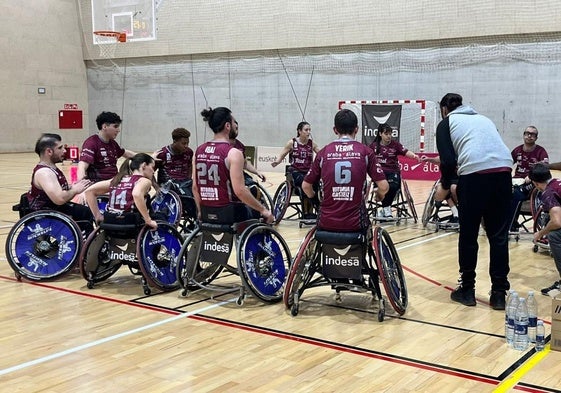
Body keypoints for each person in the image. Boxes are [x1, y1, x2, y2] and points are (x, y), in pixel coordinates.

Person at [436, 93, 513, 310]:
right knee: (498, 236)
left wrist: (446, 184)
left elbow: (448, 160)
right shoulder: (484, 119)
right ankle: (499, 294)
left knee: (469, 234)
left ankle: (467, 290)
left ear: (444, 109)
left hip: (475, 176)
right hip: (504, 172)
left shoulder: (446, 123)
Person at [302, 109, 389, 232]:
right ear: (356, 129)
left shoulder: (324, 152)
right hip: (356, 223)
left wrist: (315, 201)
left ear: (335, 130)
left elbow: (306, 186)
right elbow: (384, 186)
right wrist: (379, 195)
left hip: (326, 221)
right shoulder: (365, 152)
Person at [193, 107, 274, 224]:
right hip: (229, 212)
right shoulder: (233, 153)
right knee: (260, 215)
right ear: (227, 126)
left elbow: (195, 187)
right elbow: (240, 191)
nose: (236, 125)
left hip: (207, 211)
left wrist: (201, 211)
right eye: (233, 122)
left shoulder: (198, 151)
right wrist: (264, 210)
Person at [27, 133, 94, 233]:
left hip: (54, 209)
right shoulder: (44, 172)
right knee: (84, 212)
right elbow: (59, 199)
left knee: (85, 209)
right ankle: (87, 244)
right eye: (60, 148)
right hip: (45, 214)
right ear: (49, 151)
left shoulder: (52, 168)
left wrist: (75, 187)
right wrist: (75, 190)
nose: (65, 151)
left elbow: (60, 192)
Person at [84, 153, 158, 231]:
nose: (153, 171)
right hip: (129, 222)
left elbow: (89, 191)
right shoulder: (143, 181)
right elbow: (136, 194)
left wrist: (97, 216)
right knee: (160, 217)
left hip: (109, 221)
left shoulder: (117, 179)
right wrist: (148, 220)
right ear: (144, 166)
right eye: (152, 167)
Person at [369, 123, 420, 218]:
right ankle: (386, 210)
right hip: (379, 173)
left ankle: (383, 205)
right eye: (386, 134)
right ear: (380, 134)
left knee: (392, 187)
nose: (389, 136)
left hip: (393, 172)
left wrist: (414, 156)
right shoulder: (373, 146)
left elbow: (406, 152)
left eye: (390, 134)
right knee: (383, 186)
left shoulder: (395, 145)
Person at [271, 121, 319, 218]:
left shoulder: (312, 144)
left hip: (308, 171)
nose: (308, 132)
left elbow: (321, 154)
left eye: (309, 130)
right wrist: (277, 162)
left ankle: (317, 208)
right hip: (296, 171)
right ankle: (307, 212)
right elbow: (282, 154)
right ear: (299, 131)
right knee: (305, 182)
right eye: (306, 130)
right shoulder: (292, 143)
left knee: (318, 183)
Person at [529, 163, 561, 296]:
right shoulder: (558, 182)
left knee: (554, 236)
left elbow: (557, 222)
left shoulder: (548, 193)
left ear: (535, 183)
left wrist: (540, 233)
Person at [509, 126, 548, 231]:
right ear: (524, 135)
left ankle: (510, 225)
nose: (529, 136)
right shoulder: (517, 150)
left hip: (532, 183)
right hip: (517, 181)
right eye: (527, 133)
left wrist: (531, 175)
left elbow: (544, 169)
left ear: (536, 138)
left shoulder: (541, 151)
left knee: (515, 193)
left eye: (532, 134)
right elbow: (507, 164)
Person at [77, 111, 136, 182]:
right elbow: (82, 165)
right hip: (98, 184)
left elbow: (125, 153)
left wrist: (146, 158)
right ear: (104, 126)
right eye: (115, 126)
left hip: (114, 181)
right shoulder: (91, 143)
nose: (118, 130)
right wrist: (80, 181)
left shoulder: (113, 143)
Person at [152, 127, 194, 196]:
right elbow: (150, 172)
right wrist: (157, 187)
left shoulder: (189, 152)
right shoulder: (162, 154)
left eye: (187, 143)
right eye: (183, 143)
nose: (186, 146)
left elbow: (189, 166)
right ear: (174, 141)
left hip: (184, 184)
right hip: (167, 185)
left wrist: (189, 179)